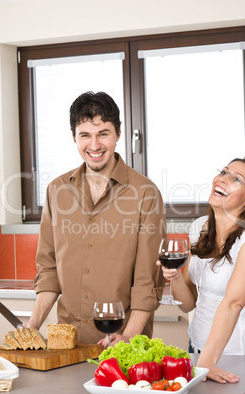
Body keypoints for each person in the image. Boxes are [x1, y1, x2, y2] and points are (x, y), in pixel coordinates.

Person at [26, 91, 166, 348]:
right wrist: (32, 324)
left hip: (122, 346)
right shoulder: (57, 191)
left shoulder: (145, 193)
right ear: (74, 138)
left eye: (103, 133)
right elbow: (48, 269)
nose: (94, 145)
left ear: (118, 133)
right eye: (85, 135)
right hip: (67, 344)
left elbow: (149, 282)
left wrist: (128, 337)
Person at [159, 156, 245, 384]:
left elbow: (233, 302)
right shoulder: (200, 227)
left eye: (235, 179)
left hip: (233, 358)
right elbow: (188, 303)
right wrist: (175, 276)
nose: (223, 179)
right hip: (196, 350)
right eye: (223, 172)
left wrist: (206, 363)